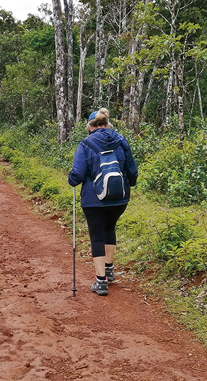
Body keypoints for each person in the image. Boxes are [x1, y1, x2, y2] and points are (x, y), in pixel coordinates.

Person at [68, 108, 138, 296]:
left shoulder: (85, 144)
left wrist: (72, 180)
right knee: (110, 228)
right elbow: (132, 170)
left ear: (90, 127)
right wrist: (129, 184)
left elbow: (78, 174)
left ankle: (101, 282)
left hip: (93, 199)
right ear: (107, 125)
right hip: (119, 197)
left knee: (97, 235)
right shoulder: (121, 140)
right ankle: (109, 269)